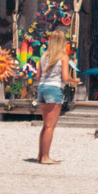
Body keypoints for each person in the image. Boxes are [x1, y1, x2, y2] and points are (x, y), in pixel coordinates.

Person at [34, 30, 77, 165]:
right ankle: (46, 157)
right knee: (50, 126)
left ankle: (40, 154)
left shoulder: (44, 56)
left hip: (42, 87)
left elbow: (37, 76)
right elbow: (65, 77)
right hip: (53, 88)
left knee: (45, 125)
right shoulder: (63, 56)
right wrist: (74, 81)